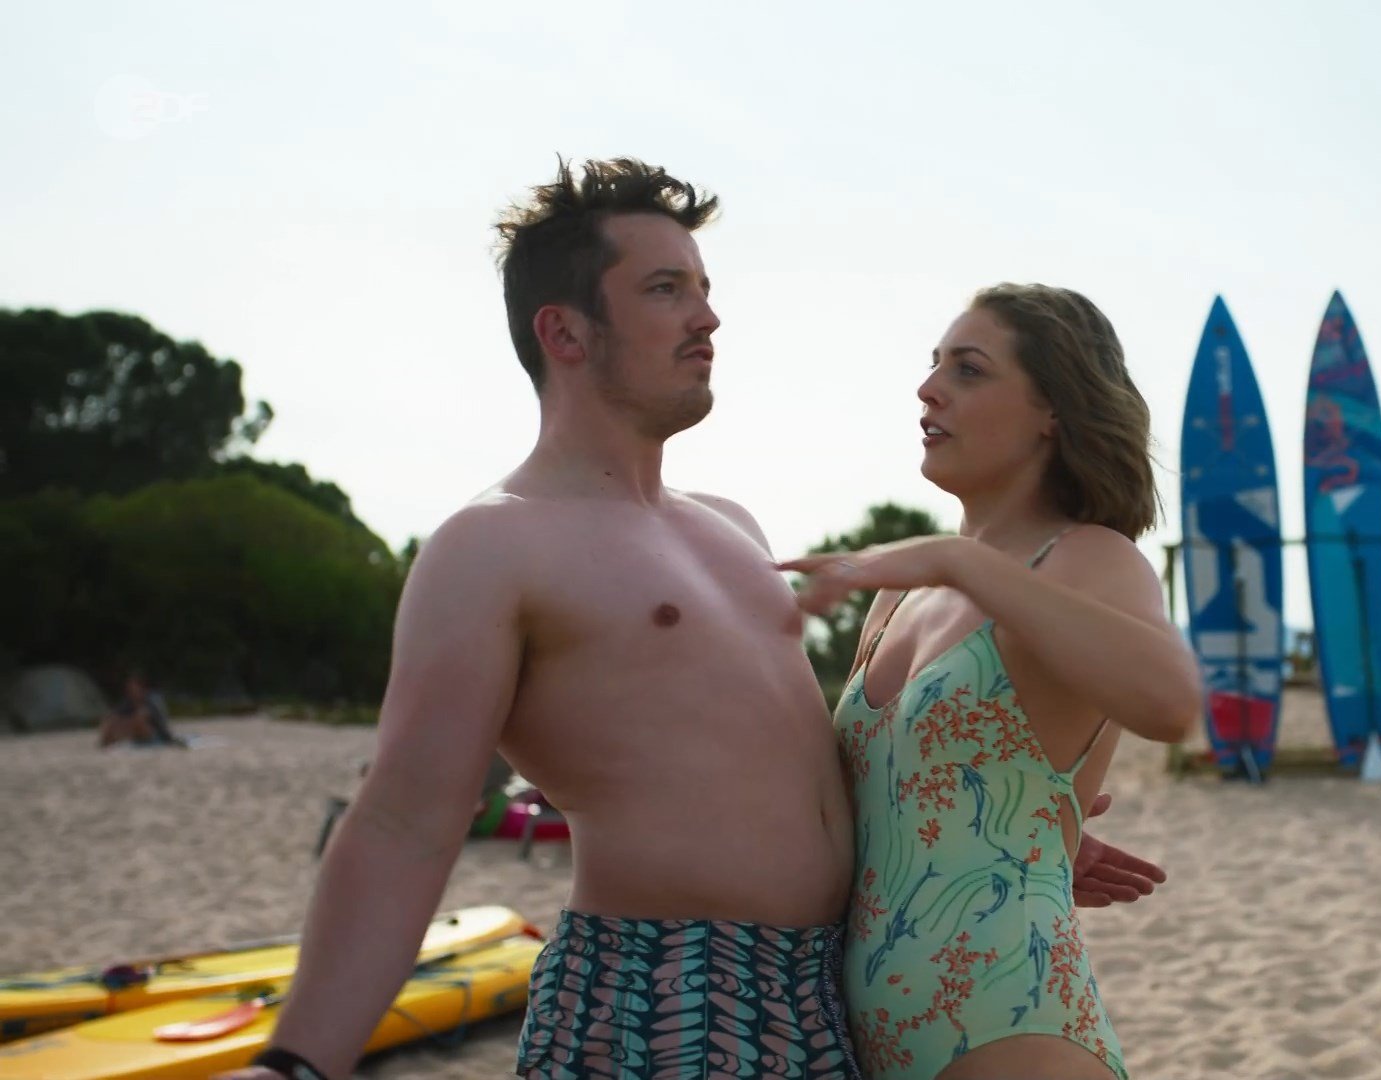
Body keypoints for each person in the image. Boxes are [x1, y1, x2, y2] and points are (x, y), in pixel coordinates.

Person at [214, 158, 1162, 1080]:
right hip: (664, 992)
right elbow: (405, 822)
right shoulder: (492, 545)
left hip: (823, 1002)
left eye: (704, 289)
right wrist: (298, 1062)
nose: (707, 316)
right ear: (565, 331)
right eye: (665, 289)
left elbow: (794, 767)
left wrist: (981, 828)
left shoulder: (734, 531)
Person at [781, 284, 1201, 1079]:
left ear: (1053, 411)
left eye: (968, 370)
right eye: (934, 364)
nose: (928, 388)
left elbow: (1172, 705)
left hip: (1014, 1030)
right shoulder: (898, 595)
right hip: (877, 1040)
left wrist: (959, 559)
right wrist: (1020, 832)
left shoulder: (1088, 558)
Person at [96, 669, 185, 748]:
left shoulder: (152, 699)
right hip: (138, 734)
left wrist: (125, 722)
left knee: (139, 717)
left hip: (159, 735)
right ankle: (106, 743)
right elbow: (115, 715)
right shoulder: (129, 701)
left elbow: (149, 718)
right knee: (111, 719)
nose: (130, 690)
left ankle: (117, 740)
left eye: (133, 687)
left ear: (142, 687)